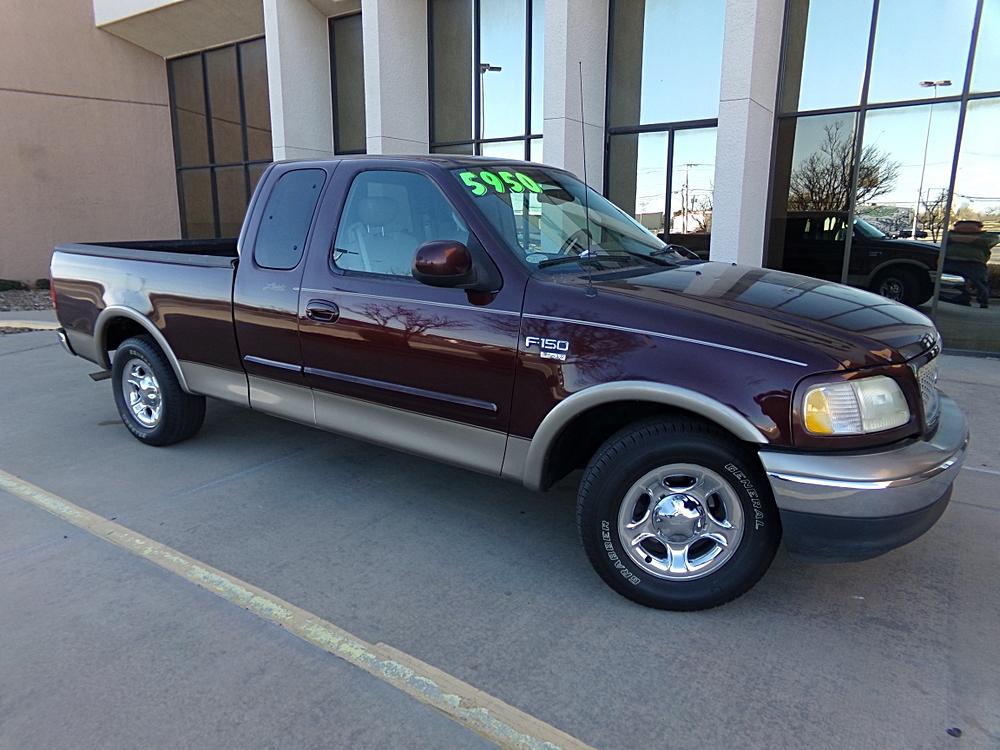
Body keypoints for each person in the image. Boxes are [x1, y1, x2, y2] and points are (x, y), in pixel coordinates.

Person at [943, 220, 996, 309]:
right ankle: (962, 298)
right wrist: (971, 240)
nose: (966, 228)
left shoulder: (986, 236)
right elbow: (945, 239)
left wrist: (958, 239)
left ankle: (983, 301)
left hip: (974, 263)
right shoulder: (948, 235)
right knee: (955, 282)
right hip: (952, 260)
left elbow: (988, 241)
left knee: (980, 283)